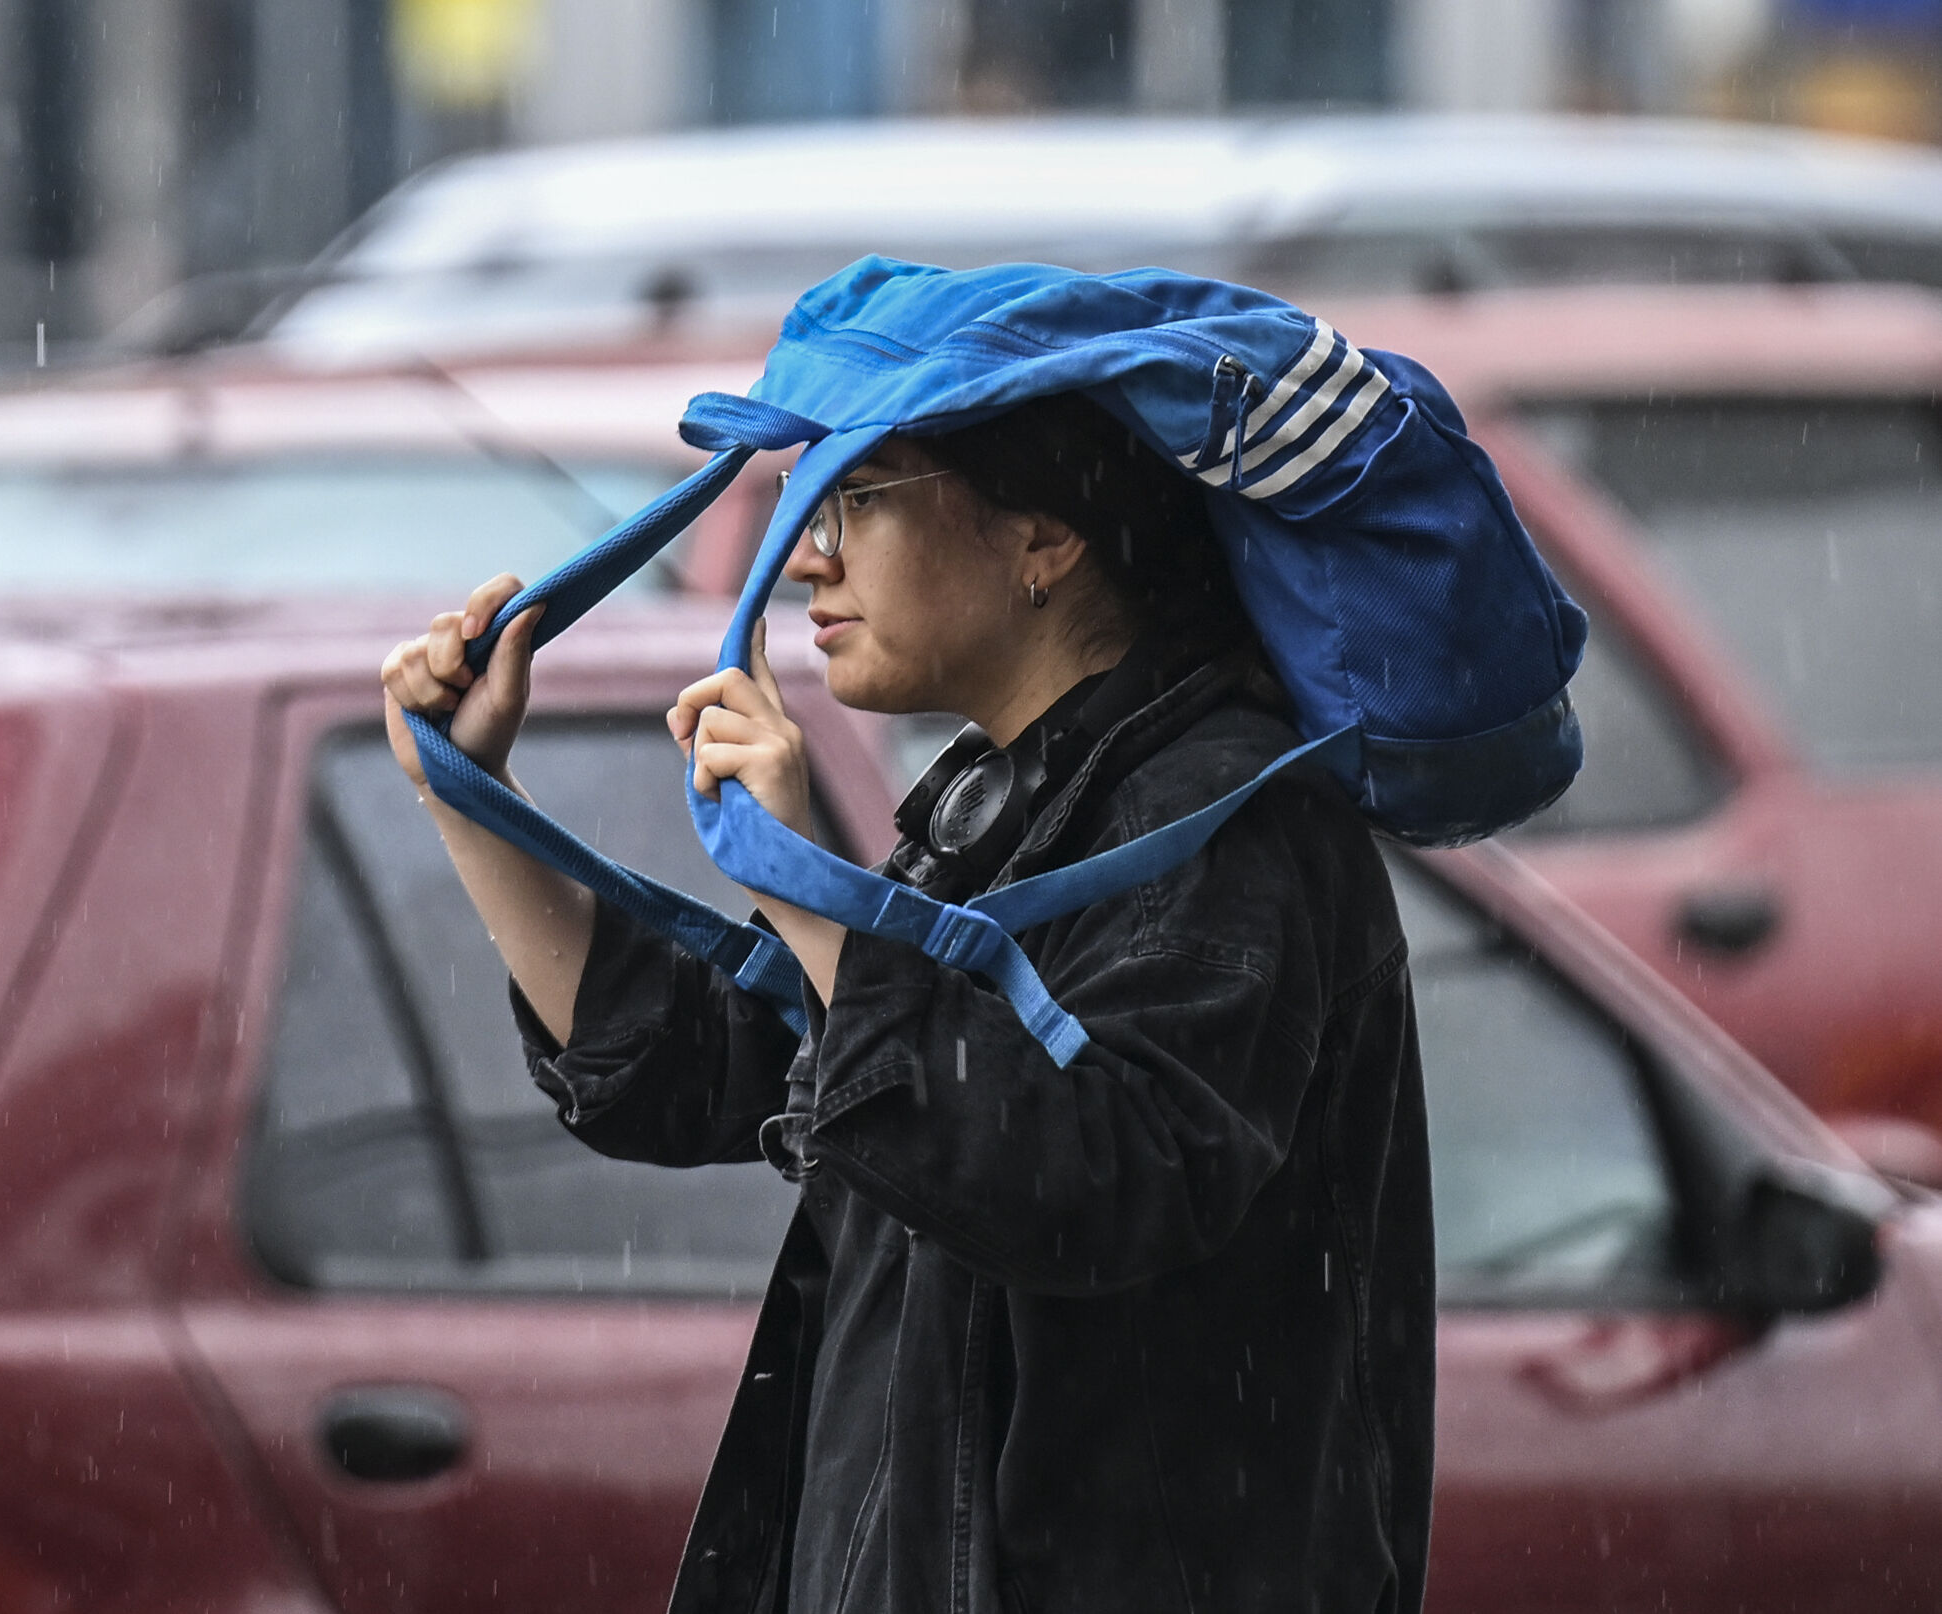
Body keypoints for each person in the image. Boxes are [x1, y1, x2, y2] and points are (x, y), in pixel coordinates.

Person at [382, 388, 1432, 1614]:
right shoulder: (1025, 795)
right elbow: (701, 1077)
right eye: (806, 508)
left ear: (1043, 537)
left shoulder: (1220, 825)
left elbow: (1088, 1181)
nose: (809, 561)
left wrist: (809, 891)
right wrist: (469, 794)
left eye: (861, 503)